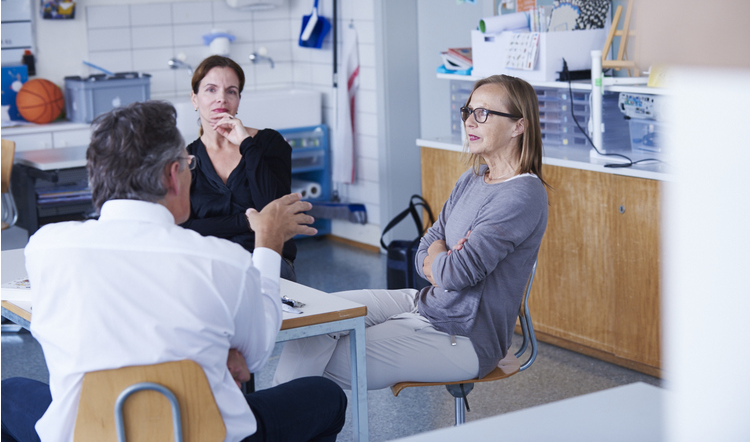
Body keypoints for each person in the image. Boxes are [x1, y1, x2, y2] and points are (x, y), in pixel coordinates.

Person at [1, 101, 347, 442]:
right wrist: (268, 245)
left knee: (8, 393)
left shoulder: (47, 248)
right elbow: (255, 354)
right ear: (172, 174)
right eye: (188, 163)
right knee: (325, 396)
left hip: (88, 432)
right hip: (205, 432)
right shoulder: (222, 260)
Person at [273, 75, 549, 390]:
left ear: (519, 126)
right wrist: (443, 255)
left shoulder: (523, 194)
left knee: (329, 360)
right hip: (423, 302)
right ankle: (272, 424)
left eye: (483, 113)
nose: (470, 121)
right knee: (314, 322)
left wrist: (441, 259)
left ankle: (269, 426)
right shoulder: (471, 179)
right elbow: (427, 245)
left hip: (463, 335)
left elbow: (456, 275)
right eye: (467, 111)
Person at [180, 55, 299, 281]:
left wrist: (246, 144)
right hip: (209, 266)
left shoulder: (268, 143)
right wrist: (247, 222)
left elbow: (273, 212)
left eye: (231, 91)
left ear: (238, 100)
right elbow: (184, 227)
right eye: (211, 90)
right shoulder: (186, 158)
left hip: (268, 261)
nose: (221, 99)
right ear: (194, 99)